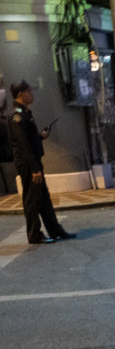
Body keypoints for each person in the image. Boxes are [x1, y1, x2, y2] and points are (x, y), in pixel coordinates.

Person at [7, 80, 75, 244]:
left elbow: (28, 139)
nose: (32, 94)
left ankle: (55, 230)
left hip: (33, 162)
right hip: (28, 165)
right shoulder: (17, 115)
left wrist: (40, 136)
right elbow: (23, 145)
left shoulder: (24, 112)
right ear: (21, 94)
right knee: (32, 200)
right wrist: (35, 169)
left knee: (44, 198)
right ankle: (34, 234)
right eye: (30, 91)